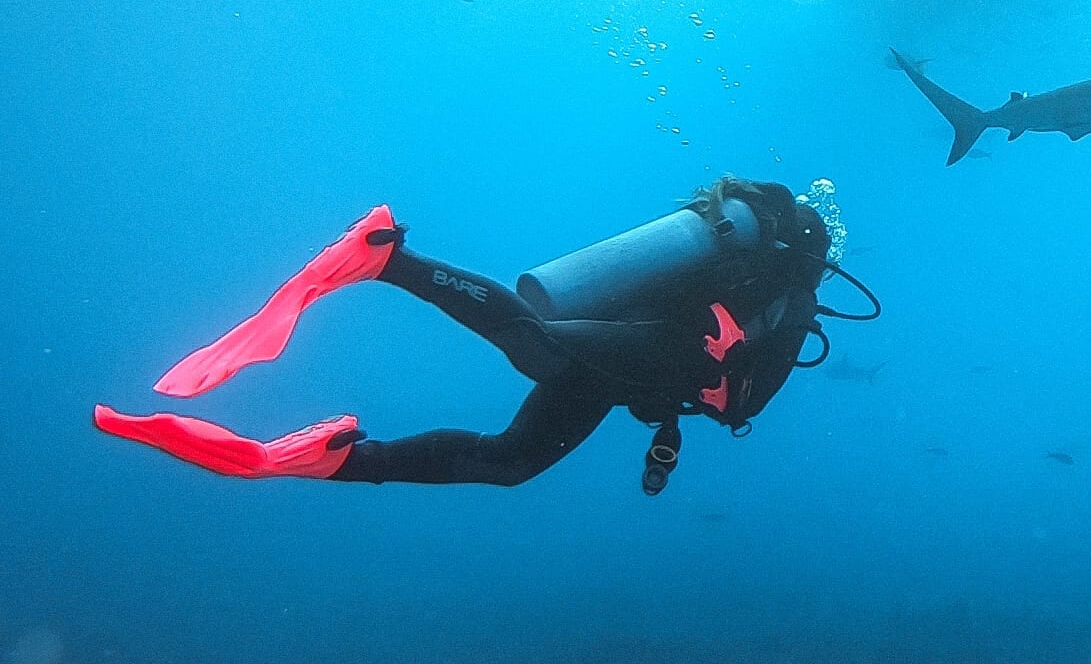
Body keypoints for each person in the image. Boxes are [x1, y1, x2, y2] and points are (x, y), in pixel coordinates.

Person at [94, 178, 877, 494]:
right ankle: (384, 258)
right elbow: (743, 379)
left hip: (642, 368)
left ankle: (335, 460)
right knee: (537, 345)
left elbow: (728, 380)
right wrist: (716, 370)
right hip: (659, 347)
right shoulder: (792, 289)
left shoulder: (776, 281)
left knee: (511, 463)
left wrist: (688, 400)